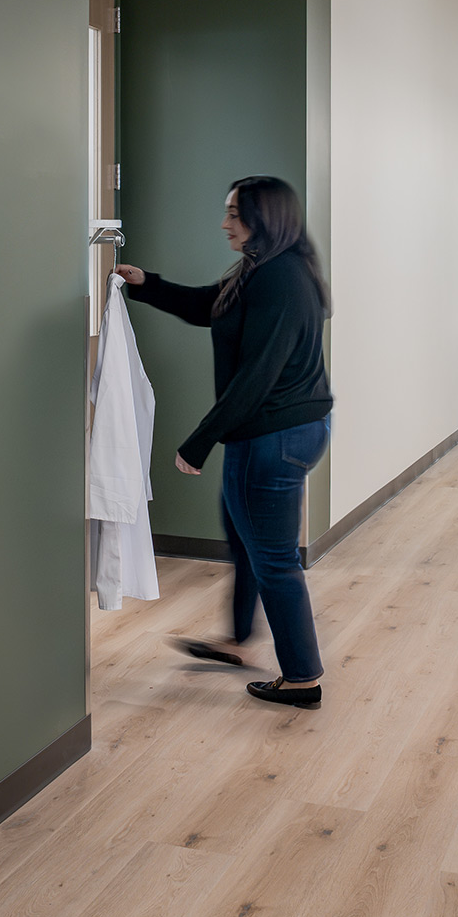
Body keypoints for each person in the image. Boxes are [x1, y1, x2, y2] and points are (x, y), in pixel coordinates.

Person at [116, 175, 332, 709]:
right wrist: (146, 283)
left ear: (264, 218)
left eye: (234, 213)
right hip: (279, 431)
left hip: (271, 437)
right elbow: (209, 307)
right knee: (245, 541)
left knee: (274, 560)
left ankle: (303, 678)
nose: (224, 222)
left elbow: (256, 378)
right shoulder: (262, 269)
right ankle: (236, 641)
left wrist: (199, 440)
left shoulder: (280, 277)